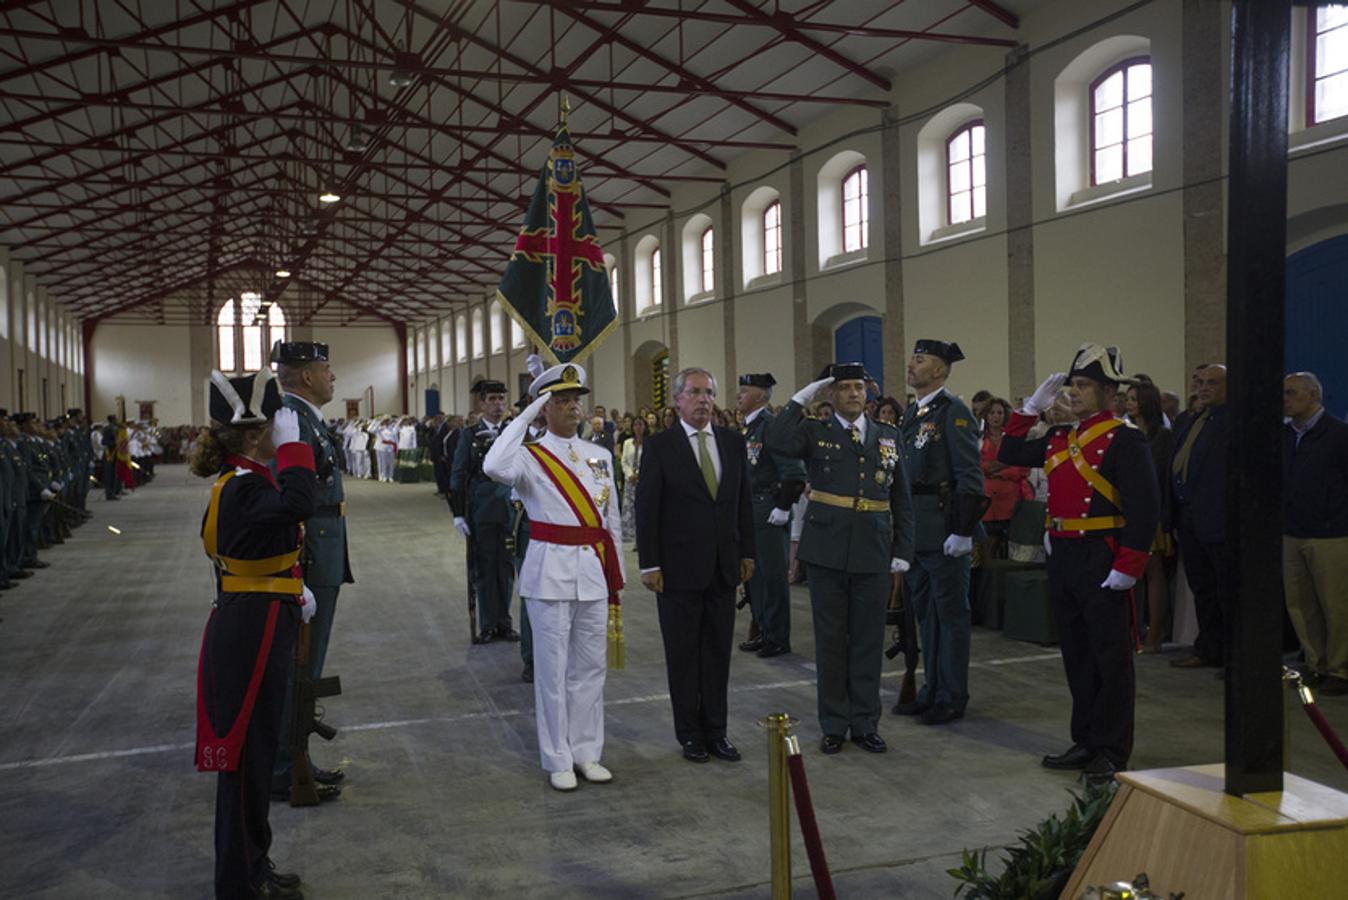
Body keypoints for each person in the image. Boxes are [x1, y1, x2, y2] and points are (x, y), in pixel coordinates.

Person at [999, 344, 1160, 783]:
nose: (1074, 392)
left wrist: (1129, 565)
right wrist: (1031, 408)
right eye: (1073, 385)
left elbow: (1146, 509)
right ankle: (1086, 738)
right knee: (1077, 654)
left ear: (1110, 392)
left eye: (1084, 385)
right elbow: (1009, 452)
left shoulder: (1126, 440)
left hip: (1102, 555)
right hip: (1064, 553)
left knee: (1111, 658)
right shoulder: (1059, 438)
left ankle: (1112, 748)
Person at [191, 369, 316, 899]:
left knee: (259, 753)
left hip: (259, 613)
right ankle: (239, 884)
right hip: (251, 627)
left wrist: (293, 585)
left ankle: (253, 863)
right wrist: (295, 454)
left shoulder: (244, 482)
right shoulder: (244, 485)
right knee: (246, 761)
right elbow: (297, 505)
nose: (281, 430)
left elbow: (266, 543)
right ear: (252, 433)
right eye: (274, 425)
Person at [482, 362, 623, 791]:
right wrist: (524, 417)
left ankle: (587, 751)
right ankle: (558, 758)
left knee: (591, 668)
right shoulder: (527, 456)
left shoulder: (599, 457)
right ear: (544, 408)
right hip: (550, 574)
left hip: (593, 574)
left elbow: (610, 517)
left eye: (574, 400)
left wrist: (615, 573)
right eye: (560, 401)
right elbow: (493, 466)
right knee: (552, 671)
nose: (572, 408)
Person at [766, 363, 914, 754]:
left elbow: (902, 499)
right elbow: (777, 439)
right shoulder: (816, 432)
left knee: (867, 641)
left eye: (859, 387)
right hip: (828, 550)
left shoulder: (888, 436)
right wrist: (802, 396)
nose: (853, 394)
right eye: (844, 388)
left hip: (873, 549)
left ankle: (865, 722)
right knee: (831, 641)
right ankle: (833, 722)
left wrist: (902, 551)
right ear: (830, 395)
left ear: (868, 393)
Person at [637, 367, 755, 765]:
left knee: (718, 653)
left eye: (708, 392)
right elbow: (647, 508)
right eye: (694, 392)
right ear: (677, 399)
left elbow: (743, 503)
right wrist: (649, 564)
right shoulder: (660, 446)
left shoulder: (732, 442)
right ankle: (690, 733)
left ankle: (717, 731)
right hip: (677, 568)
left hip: (723, 566)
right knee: (684, 654)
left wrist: (747, 553)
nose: (703, 399)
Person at [269, 340, 352, 800]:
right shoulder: (292, 422)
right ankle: (285, 765)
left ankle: (295, 755)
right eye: (327, 368)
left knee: (308, 667)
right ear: (305, 377)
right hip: (311, 553)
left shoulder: (307, 422)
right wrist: (294, 574)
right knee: (297, 669)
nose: (332, 376)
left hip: (326, 548)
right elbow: (290, 495)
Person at [895, 339, 985, 725]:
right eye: (912, 359)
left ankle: (953, 695)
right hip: (918, 531)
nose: (911, 365)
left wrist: (963, 530)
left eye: (920, 360)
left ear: (939, 371)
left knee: (950, 617)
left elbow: (969, 474)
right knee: (926, 618)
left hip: (946, 529)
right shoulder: (912, 413)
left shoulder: (954, 412)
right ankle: (932, 689)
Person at [1282, 372, 1348, 695]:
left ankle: (1340, 668)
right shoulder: (1285, 436)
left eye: (1291, 393)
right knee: (1301, 604)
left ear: (1312, 396)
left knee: (1336, 606)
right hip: (1292, 531)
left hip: (1331, 533)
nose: (1285, 398)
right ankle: (1315, 663)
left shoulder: (1338, 435)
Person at [736, 373, 807, 658]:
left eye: (745, 390)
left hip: (768, 507)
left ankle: (778, 636)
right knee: (755, 575)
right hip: (750, 508)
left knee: (773, 576)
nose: (739, 395)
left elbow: (793, 471)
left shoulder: (771, 426)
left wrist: (783, 506)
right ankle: (764, 629)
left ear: (762, 396)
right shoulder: (748, 429)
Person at [1167, 365, 1228, 669]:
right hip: (1189, 518)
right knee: (1202, 588)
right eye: (1200, 382)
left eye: (1212, 383)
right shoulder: (1190, 421)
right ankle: (1208, 648)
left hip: (1218, 520)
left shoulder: (1232, 422)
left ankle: (1232, 655)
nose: (1204, 388)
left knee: (1226, 590)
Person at [451, 380, 520, 642]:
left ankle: (505, 622)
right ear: (482, 404)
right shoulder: (469, 435)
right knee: (484, 569)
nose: (498, 404)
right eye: (492, 399)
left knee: (506, 568)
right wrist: (458, 513)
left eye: (502, 398)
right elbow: (458, 474)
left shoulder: (513, 432)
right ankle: (489, 623)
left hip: (509, 510)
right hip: (481, 511)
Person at [1126, 381, 1175, 652]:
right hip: (1129, 508)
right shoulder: (1129, 431)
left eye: (1134, 399)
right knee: (1134, 572)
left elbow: (1158, 474)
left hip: (1151, 510)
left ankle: (1156, 632)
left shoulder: (1162, 436)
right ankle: (1137, 627)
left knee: (1153, 572)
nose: (1130, 403)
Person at [978, 397, 1029, 560]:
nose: (996, 416)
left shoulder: (1013, 439)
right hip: (986, 505)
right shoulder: (978, 439)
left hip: (1011, 503)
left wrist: (994, 470)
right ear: (986, 416)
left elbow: (1021, 469)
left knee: (1012, 553)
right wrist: (1004, 464)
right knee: (987, 553)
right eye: (992, 413)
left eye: (999, 412)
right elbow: (976, 467)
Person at [619, 414, 649, 545]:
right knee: (630, 510)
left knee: (644, 510)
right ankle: (633, 538)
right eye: (635, 425)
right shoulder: (627, 443)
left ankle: (643, 538)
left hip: (644, 480)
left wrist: (640, 474)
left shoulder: (650, 443)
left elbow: (650, 462)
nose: (638, 427)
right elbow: (624, 461)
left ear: (645, 427)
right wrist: (630, 474)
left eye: (640, 424)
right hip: (630, 481)